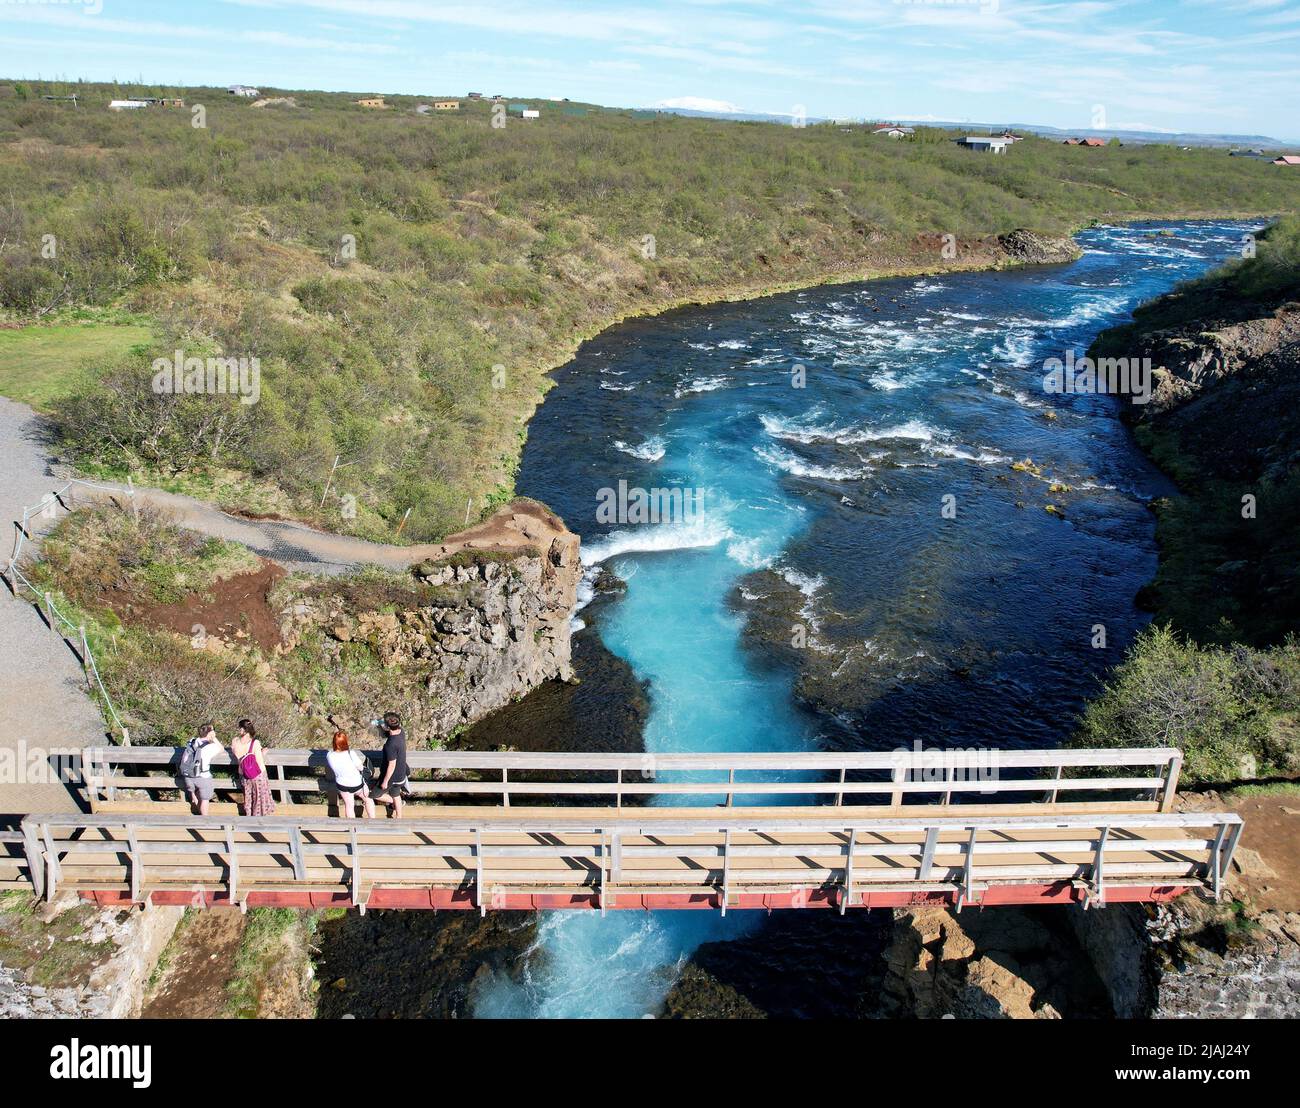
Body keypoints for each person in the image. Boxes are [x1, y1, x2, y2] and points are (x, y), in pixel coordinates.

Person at [231, 718, 276, 817]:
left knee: (248, 797)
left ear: (243, 730)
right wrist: (262, 753)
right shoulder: (255, 743)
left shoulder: (235, 742)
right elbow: (258, 760)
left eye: (240, 728)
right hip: (257, 774)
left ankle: (249, 815)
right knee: (260, 798)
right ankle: (259, 818)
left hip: (244, 773)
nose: (239, 730)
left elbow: (237, 754)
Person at [327, 730, 374, 819]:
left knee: (349, 805)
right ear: (345, 742)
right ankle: (372, 821)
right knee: (368, 799)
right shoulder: (350, 753)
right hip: (356, 784)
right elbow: (360, 767)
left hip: (342, 784)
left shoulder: (329, 755)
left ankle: (352, 828)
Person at [372, 711, 409, 819]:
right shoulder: (401, 732)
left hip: (392, 777)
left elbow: (391, 765)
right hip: (401, 774)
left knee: (374, 795)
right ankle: (399, 817)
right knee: (396, 794)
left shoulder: (391, 744)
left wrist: (385, 781)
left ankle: (393, 802)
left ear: (388, 727)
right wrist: (381, 725)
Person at [180, 723, 223, 815]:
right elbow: (221, 749)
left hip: (188, 775)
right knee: (205, 799)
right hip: (202, 776)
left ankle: (195, 802)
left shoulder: (192, 741)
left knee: (195, 792)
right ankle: (204, 819)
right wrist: (214, 738)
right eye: (213, 730)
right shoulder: (210, 747)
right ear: (210, 733)